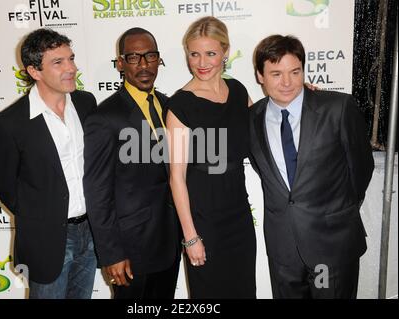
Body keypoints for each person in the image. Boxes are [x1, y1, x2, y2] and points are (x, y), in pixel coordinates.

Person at [248, 34, 374, 299]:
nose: (287, 82)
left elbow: (361, 168)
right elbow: (267, 175)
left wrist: (335, 212)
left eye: (295, 72)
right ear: (260, 76)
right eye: (276, 73)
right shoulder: (250, 118)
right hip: (283, 250)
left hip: (330, 247)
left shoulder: (337, 108)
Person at [0, 28, 97, 299]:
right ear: (34, 71)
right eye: (58, 62)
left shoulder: (86, 103)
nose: (71, 68)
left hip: (92, 233)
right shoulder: (10, 123)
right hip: (47, 240)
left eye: (70, 59)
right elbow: (4, 186)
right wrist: (41, 215)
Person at [83, 27, 180, 299]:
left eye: (150, 56)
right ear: (121, 63)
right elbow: (97, 192)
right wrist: (112, 253)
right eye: (134, 58)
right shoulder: (104, 117)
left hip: (170, 241)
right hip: (130, 249)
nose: (144, 65)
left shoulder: (169, 105)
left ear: (158, 59)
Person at [166, 16, 257, 298]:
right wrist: (191, 237)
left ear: (226, 52)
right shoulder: (180, 105)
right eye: (194, 54)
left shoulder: (239, 92)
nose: (202, 62)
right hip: (203, 221)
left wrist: (305, 98)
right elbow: (176, 178)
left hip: (240, 217)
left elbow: (268, 129)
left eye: (211, 53)